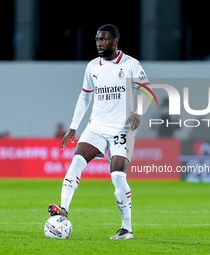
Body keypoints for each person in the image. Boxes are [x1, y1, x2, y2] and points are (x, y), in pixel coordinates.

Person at [48, 24, 151, 240]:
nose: (99, 43)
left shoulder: (131, 64)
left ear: (114, 41)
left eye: (103, 39)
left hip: (122, 128)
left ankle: (126, 228)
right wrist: (74, 126)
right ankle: (63, 209)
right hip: (96, 127)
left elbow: (147, 91)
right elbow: (85, 96)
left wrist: (139, 113)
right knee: (76, 161)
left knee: (117, 177)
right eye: (97, 39)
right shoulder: (93, 66)